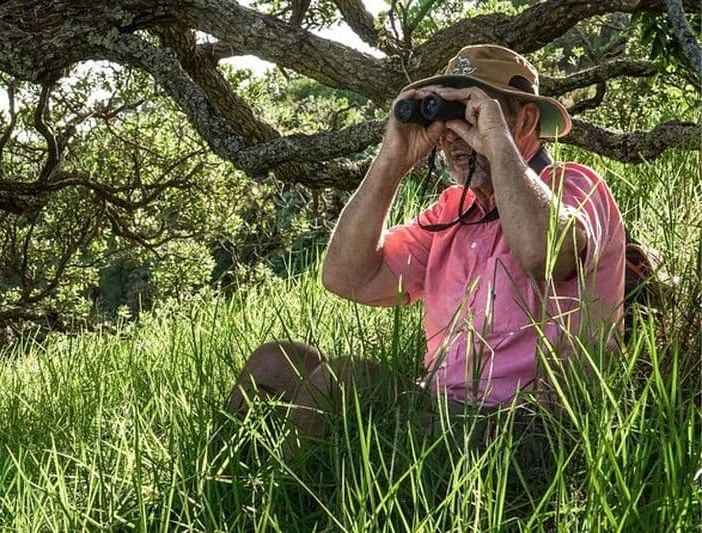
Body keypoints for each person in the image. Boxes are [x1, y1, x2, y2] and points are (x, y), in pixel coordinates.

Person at [226, 44, 625, 441]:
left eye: (473, 113)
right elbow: (345, 277)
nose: (457, 135)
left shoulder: (575, 187)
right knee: (274, 361)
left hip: (528, 426)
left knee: (346, 379)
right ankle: (230, 492)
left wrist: (496, 141)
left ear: (526, 120)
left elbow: (545, 254)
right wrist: (393, 158)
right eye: (449, 118)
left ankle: (294, 503)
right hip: (442, 411)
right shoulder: (453, 211)